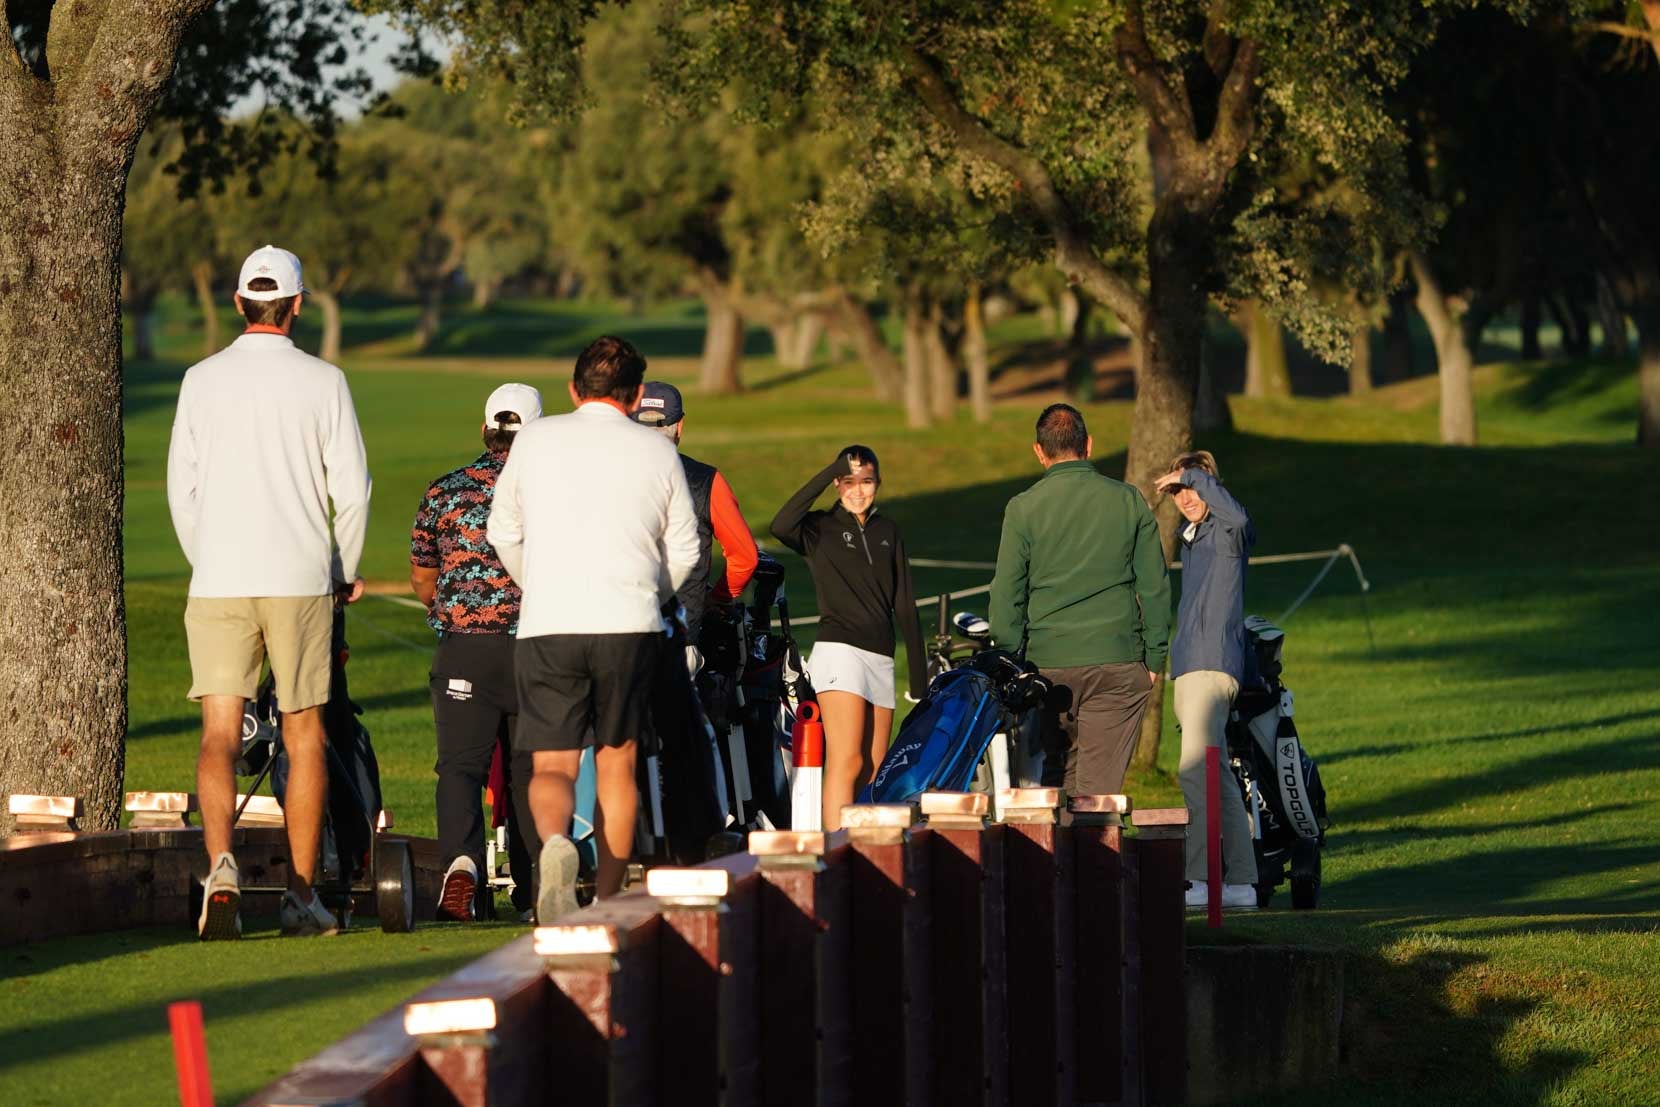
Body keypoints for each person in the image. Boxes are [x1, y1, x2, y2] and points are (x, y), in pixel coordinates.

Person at [166, 244, 371, 939]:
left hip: (219, 576)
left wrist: (209, 557)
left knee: (219, 731)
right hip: (300, 578)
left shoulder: (199, 378)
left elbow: (182, 489)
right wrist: (345, 568)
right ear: (298, 305)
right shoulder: (325, 380)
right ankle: (301, 893)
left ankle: (221, 864)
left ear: (237, 304)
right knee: (303, 734)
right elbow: (352, 487)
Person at [487, 337, 700, 921]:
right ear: (635, 397)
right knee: (617, 761)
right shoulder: (656, 452)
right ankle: (606, 897)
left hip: (549, 622)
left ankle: (556, 845)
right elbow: (684, 548)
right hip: (628, 625)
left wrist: (539, 585)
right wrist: (650, 595)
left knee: (552, 764)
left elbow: (502, 532)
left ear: (574, 390)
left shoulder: (533, 440)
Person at [987, 404, 1170, 809]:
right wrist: (1155, 657)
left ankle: (1061, 869)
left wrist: (1008, 660)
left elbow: (1007, 595)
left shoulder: (1023, 508)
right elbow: (1155, 586)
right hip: (1117, 660)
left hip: (1048, 666)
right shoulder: (1128, 501)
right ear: (1088, 445)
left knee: (1057, 783)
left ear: (1039, 451)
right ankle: (1094, 869)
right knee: (1098, 799)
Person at [410, 382, 544, 922]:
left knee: (461, 769)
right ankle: (537, 886)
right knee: (532, 769)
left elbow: (424, 577)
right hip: (536, 649)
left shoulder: (444, 492)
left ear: (485, 430)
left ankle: (462, 867)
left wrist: (450, 614)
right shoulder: (554, 493)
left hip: (464, 652)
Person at [770, 446, 926, 831]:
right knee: (848, 759)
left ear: (878, 483)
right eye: (850, 481)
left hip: (881, 658)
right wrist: (829, 471)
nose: (859, 490)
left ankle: (862, 849)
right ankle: (836, 848)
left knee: (874, 767)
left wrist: (920, 677)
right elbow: (781, 524)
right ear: (838, 484)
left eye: (867, 481)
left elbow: (904, 602)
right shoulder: (819, 528)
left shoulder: (889, 531)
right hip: (839, 652)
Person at [1156, 450, 1260, 910]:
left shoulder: (1228, 531)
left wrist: (1193, 473)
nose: (1186, 498)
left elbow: (1237, 515)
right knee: (1216, 776)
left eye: (1193, 487)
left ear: (1210, 485)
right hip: (1191, 666)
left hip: (1213, 665)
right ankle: (1241, 882)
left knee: (1193, 771)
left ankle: (1200, 879)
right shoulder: (1193, 539)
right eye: (1178, 491)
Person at [631, 381, 759, 640]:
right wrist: (717, 598)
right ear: (680, 426)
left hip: (612, 633)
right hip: (679, 635)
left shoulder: (602, 475)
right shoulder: (707, 481)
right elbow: (745, 558)